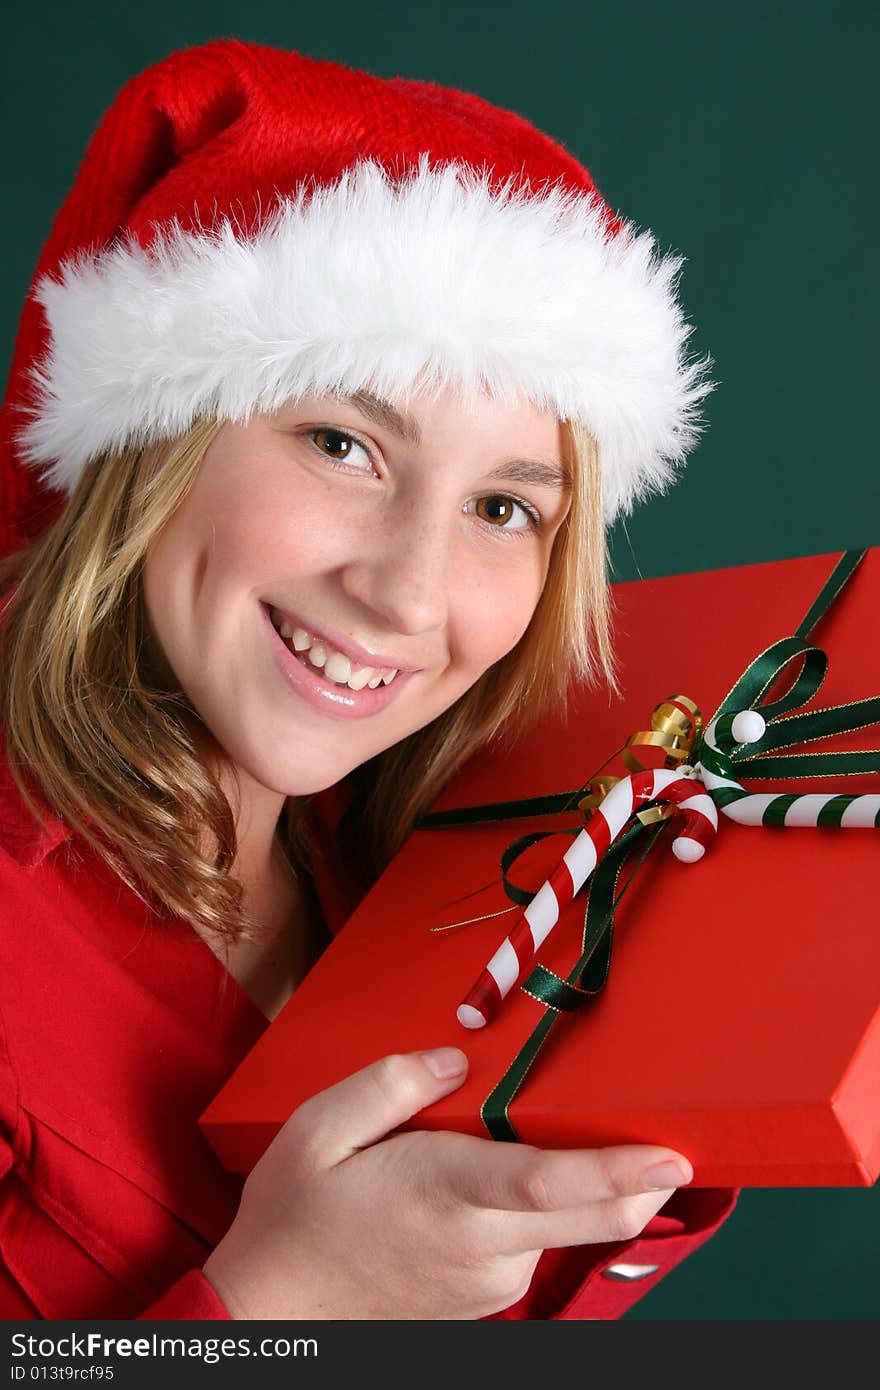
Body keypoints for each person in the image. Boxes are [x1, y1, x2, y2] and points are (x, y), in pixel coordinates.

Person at [0, 39, 738, 1320]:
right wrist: (286, 1302)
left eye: (504, 507)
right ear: (153, 438)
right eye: (342, 444)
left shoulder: (433, 875)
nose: (408, 595)